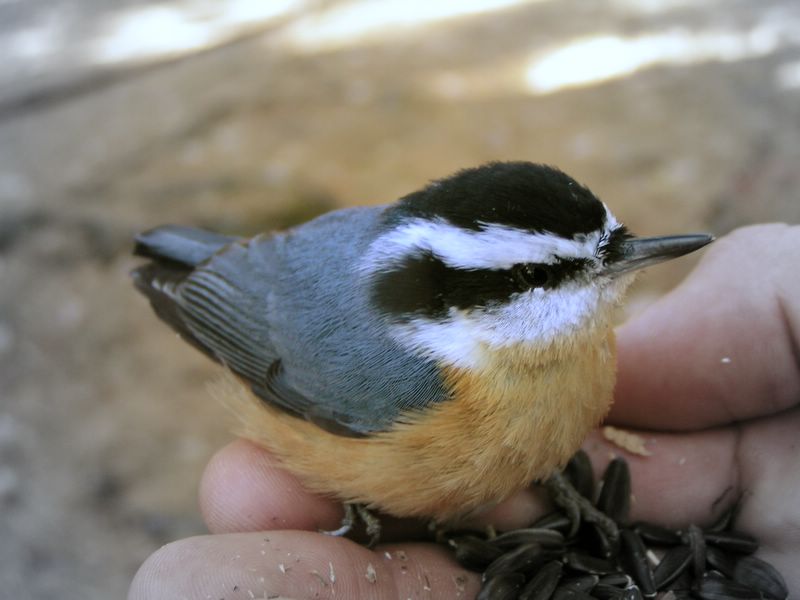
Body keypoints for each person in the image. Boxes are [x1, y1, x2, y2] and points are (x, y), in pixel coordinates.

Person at [128, 224, 800, 599]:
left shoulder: (579, 352)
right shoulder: (404, 380)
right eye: (542, 277)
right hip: (260, 302)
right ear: (463, 307)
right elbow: (257, 325)